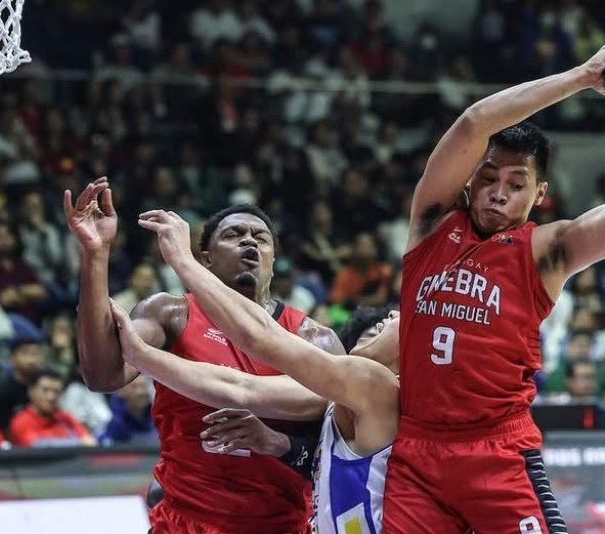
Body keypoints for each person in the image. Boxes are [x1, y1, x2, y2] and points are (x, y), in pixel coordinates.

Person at [384, 30, 605, 532]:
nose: (497, 193)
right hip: (416, 450)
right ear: (470, 179)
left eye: (515, 185)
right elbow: (474, 121)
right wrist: (584, 76)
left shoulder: (546, 250)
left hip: (497, 449)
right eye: (488, 178)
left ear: (539, 195)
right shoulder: (432, 223)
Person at [65, 178, 345, 534]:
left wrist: (277, 443)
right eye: (234, 235)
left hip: (280, 525)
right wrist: (95, 254)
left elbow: (338, 457)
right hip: (185, 522)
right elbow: (102, 377)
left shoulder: (315, 340)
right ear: (206, 261)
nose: (249, 241)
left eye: (261, 238)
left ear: (274, 261)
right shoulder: (171, 313)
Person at [122, 209, 400, 532]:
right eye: (382, 323)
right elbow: (244, 383)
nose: (390, 322)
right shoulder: (361, 384)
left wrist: (142, 353)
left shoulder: (369, 387)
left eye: (393, 322)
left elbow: (243, 386)